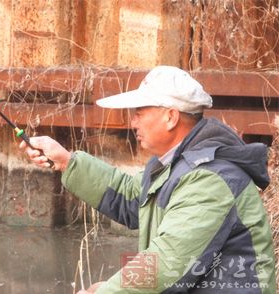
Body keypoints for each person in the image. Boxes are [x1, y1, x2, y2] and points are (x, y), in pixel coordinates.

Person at [20, 66, 276, 293]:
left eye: (140, 112)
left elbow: (166, 264)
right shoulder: (174, 163)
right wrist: (66, 161)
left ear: (171, 117)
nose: (133, 121)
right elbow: (131, 196)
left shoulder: (211, 180)